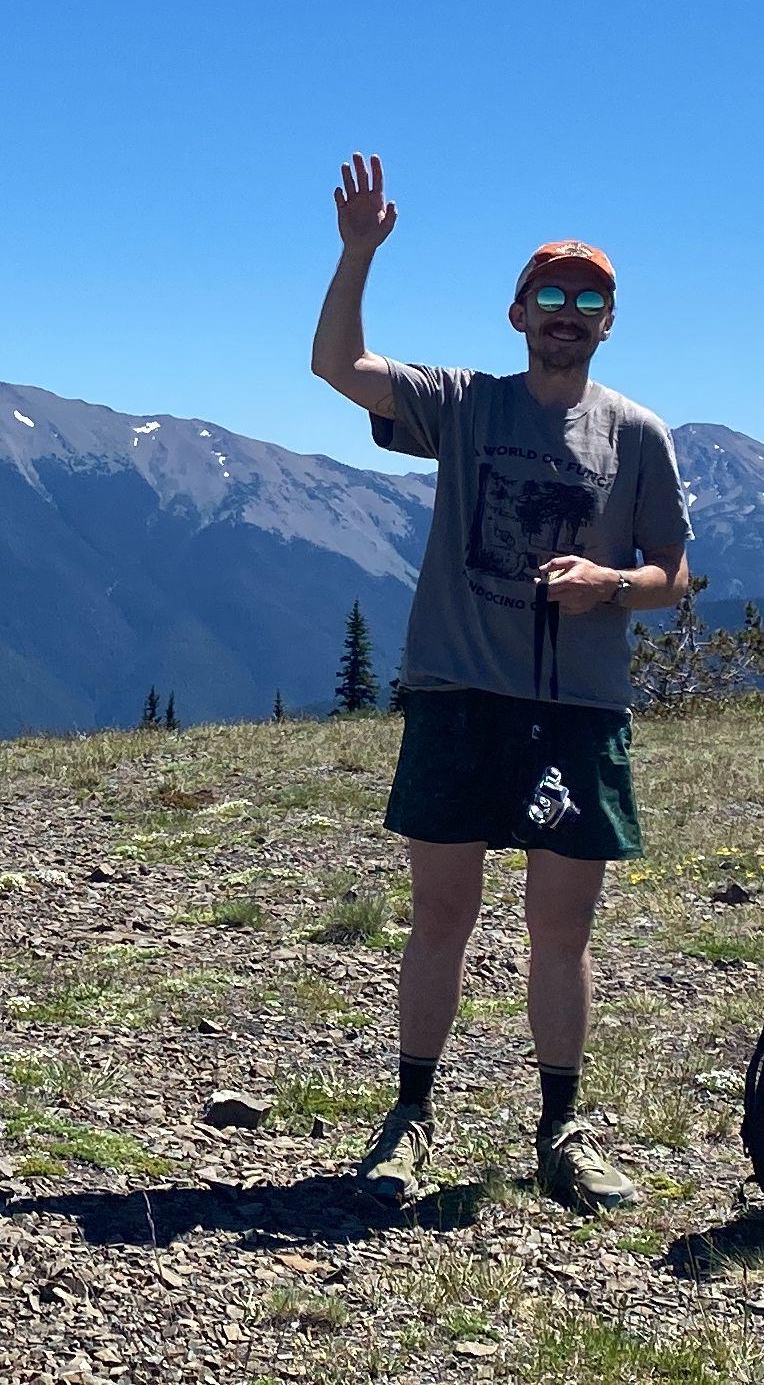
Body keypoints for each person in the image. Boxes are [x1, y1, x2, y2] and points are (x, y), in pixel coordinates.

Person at [311, 152, 691, 1212]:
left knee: (562, 930)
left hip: (578, 710)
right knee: (442, 915)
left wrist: (611, 584)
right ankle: (410, 1117)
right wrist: (356, 256)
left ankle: (562, 1126)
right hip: (459, 694)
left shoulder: (639, 435)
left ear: (607, 322)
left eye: (589, 299)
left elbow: (674, 575)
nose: (569, 312)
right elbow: (339, 367)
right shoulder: (464, 404)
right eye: (553, 296)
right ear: (519, 311)